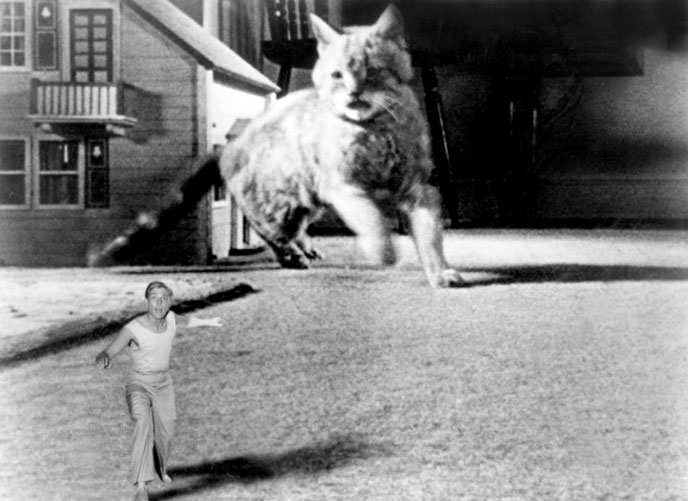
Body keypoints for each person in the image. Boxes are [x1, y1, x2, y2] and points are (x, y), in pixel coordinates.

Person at [95, 281, 223, 501]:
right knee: (143, 423)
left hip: (163, 384)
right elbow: (108, 351)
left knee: (167, 429)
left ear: (170, 301)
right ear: (147, 301)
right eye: (154, 297)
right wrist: (103, 359)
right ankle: (141, 486)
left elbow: (187, 321)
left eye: (164, 298)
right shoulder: (133, 328)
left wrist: (209, 321)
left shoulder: (171, 318)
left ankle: (161, 468)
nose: (159, 303)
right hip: (139, 383)